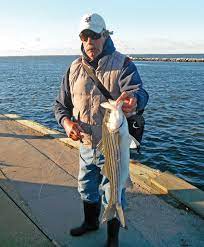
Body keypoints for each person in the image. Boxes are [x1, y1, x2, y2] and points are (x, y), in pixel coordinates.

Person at [54, 13, 149, 247]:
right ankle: (90, 222)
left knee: (113, 191)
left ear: (105, 35)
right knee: (86, 187)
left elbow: (141, 93)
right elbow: (60, 105)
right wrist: (67, 124)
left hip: (114, 147)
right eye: (84, 36)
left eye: (94, 36)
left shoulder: (123, 64)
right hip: (86, 145)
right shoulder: (73, 69)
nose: (89, 42)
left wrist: (134, 100)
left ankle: (112, 238)